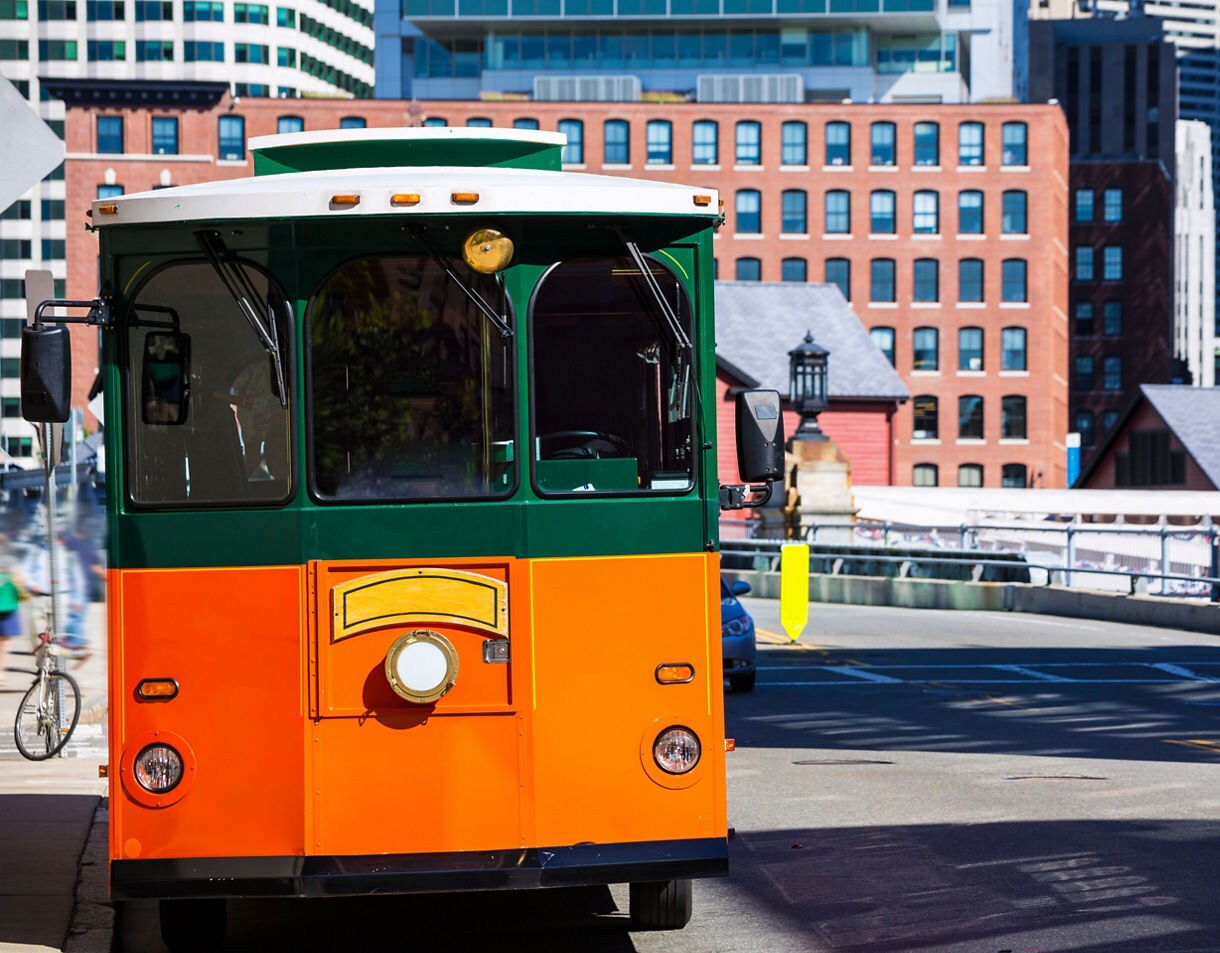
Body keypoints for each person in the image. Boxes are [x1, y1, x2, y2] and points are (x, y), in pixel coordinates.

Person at [22, 531, 88, 659]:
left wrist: (78, 600)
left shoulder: (68, 554)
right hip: (38, 598)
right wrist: (31, 584)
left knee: (58, 637)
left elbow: (77, 578)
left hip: (61, 598)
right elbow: (25, 573)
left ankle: (57, 671)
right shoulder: (36, 552)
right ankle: (43, 669)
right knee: (37, 634)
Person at [0, 534, 24, 690]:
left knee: (3, 643)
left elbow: (19, 580)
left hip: (7, 606)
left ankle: (1, 674)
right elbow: (19, 580)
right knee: (3, 644)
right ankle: (1, 675)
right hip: (7, 605)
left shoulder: (10, 560)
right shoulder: (11, 561)